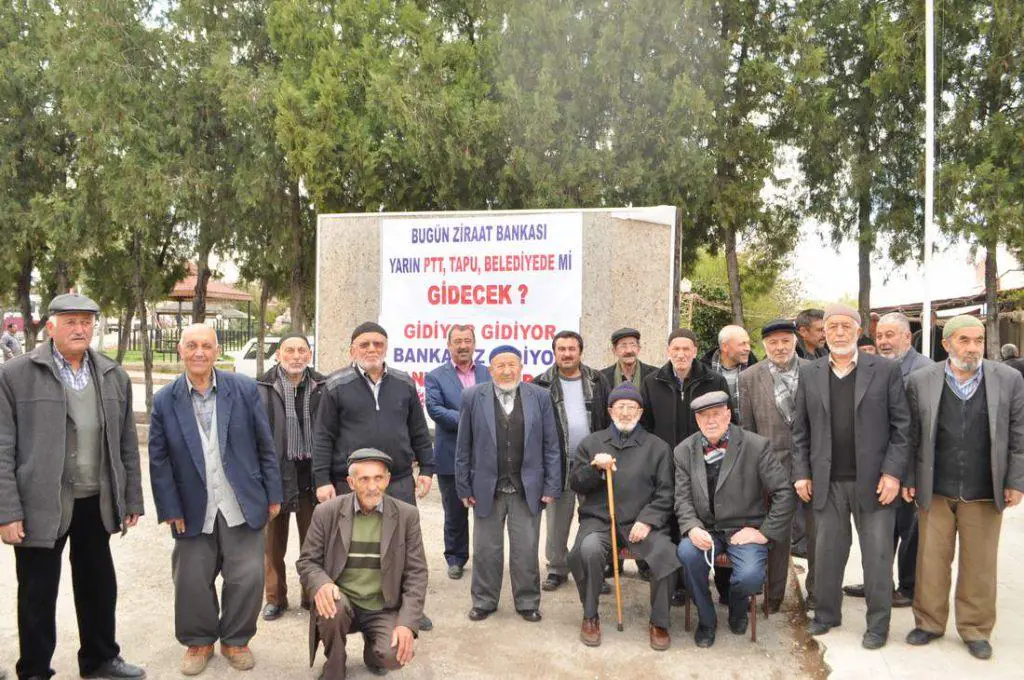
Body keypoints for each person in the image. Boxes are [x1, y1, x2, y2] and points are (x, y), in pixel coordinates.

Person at [0, 294, 146, 680]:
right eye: (70, 322)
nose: (80, 329)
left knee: (99, 585)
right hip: (40, 503)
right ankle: (33, 670)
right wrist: (8, 510)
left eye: (86, 321)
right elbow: (2, 447)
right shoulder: (16, 374)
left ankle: (100, 660)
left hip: (95, 501)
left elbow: (127, 442)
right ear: (51, 327)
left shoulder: (113, 374)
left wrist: (130, 497)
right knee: (37, 592)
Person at [148, 324, 283, 675]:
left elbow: (265, 445)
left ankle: (236, 640)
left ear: (217, 350)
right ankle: (199, 641)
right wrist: (169, 507)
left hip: (241, 500)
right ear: (180, 350)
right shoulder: (165, 400)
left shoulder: (242, 389)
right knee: (191, 578)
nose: (199, 353)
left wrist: (273, 493)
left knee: (247, 576)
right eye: (191, 345)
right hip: (192, 506)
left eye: (206, 346)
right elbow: (158, 459)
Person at [902, 315, 1024, 660]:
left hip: (984, 488)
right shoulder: (921, 380)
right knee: (931, 561)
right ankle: (929, 622)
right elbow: (911, 435)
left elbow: (1019, 434)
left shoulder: (1009, 379)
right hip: (936, 489)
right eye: (964, 341)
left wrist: (1015, 480)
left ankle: (975, 628)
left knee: (980, 565)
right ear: (947, 344)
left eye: (978, 340)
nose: (972, 348)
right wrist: (910, 477)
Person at [791, 304, 910, 650]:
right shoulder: (811, 373)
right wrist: (801, 473)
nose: (839, 333)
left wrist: (892, 474)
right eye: (832, 327)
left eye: (846, 326)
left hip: (874, 483)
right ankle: (827, 615)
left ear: (858, 332)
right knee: (827, 552)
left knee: (877, 557)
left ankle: (877, 625)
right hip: (827, 482)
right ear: (824, 334)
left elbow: (902, 427)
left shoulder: (884, 370)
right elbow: (800, 430)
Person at [312, 321, 435, 630]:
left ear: (386, 348)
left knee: (403, 545)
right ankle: (351, 606)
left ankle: (410, 610)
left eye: (377, 344)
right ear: (352, 349)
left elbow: (418, 430)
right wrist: (322, 479)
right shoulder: (335, 385)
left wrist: (428, 470)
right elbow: (323, 436)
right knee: (353, 546)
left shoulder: (404, 382)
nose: (371, 349)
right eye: (364, 344)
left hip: (398, 480)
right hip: (351, 482)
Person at [675, 391, 795, 648]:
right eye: (704, 416)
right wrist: (692, 527)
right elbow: (682, 499)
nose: (710, 421)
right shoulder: (683, 450)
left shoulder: (755, 445)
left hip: (745, 529)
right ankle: (706, 619)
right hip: (706, 529)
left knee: (751, 577)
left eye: (716, 414)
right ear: (697, 421)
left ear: (728, 414)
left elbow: (784, 493)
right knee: (687, 554)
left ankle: (738, 610)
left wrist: (763, 532)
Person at [297, 449, 427, 679]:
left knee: (394, 655)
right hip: (342, 602)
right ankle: (335, 663)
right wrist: (322, 584)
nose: (372, 487)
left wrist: (407, 623)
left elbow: (416, 574)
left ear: (387, 480)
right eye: (364, 479)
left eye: (378, 478)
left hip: (382, 606)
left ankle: (373, 649)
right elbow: (307, 561)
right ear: (350, 482)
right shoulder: (326, 513)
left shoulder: (407, 516)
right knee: (329, 606)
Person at [455, 345, 561, 622]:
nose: (506, 370)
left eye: (512, 364)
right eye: (500, 366)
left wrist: (551, 486)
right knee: (486, 550)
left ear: (521, 367)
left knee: (526, 549)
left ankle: (527, 601)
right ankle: (484, 600)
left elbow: (551, 445)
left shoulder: (540, 396)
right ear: (490, 370)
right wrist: (464, 487)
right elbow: (463, 446)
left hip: (528, 488)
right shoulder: (472, 397)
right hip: (485, 488)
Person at [568, 384, 677, 650]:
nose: (625, 412)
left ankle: (659, 622)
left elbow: (666, 493)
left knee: (667, 554)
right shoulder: (592, 443)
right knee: (588, 550)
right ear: (610, 410)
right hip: (600, 520)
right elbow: (576, 483)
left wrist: (648, 520)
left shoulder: (658, 447)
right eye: (620, 407)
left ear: (640, 411)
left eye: (631, 407)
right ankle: (590, 615)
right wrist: (594, 469)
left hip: (640, 522)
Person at [844, 312, 932, 607]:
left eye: (889, 335)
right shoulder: (876, 368)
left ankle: (909, 588)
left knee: (909, 532)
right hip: (879, 468)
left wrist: (910, 476)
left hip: (909, 471)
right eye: (879, 335)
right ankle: (880, 583)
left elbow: (922, 430)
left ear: (907, 337)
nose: (882, 341)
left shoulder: (924, 371)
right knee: (882, 532)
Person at [641, 327, 728, 604]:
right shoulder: (651, 381)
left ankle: (716, 584)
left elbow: (727, 421)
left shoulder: (713, 380)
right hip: (665, 465)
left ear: (694, 350)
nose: (680, 354)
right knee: (673, 523)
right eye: (675, 349)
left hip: (706, 463)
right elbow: (646, 427)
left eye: (686, 349)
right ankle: (679, 585)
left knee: (707, 520)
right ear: (668, 351)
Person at [737, 318, 809, 613]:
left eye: (785, 341)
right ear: (764, 345)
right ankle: (773, 597)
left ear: (795, 341)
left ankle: (816, 596)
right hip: (770, 468)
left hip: (810, 465)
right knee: (776, 533)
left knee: (816, 534)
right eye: (773, 342)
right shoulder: (750, 377)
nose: (780, 347)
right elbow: (747, 429)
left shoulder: (813, 371)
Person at [256, 332, 328, 621]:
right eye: (290, 350)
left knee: (312, 542)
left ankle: (312, 595)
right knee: (272, 544)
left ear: (309, 355)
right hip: (274, 475)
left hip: (311, 474)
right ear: (278, 355)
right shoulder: (261, 386)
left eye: (302, 350)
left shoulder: (323, 386)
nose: (296, 356)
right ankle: (275, 598)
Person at [533, 330, 610, 592]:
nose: (566, 353)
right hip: (557, 463)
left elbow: (607, 420)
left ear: (580, 351)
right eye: (561, 349)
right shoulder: (540, 384)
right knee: (557, 520)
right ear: (554, 352)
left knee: (594, 518)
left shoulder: (598, 380)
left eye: (572, 349)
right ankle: (556, 568)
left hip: (592, 463)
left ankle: (592, 568)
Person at [424, 324, 490, 580]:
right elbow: (435, 410)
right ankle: (455, 557)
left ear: (474, 344)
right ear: (448, 345)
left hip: (485, 456)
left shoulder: (489, 372)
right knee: (454, 511)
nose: (463, 346)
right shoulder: (435, 376)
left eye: (467, 340)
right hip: (450, 454)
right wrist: (470, 418)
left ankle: (486, 558)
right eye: (458, 341)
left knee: (487, 511)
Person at [703, 325, 757, 421]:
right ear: (725, 346)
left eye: (748, 343)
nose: (748, 348)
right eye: (742, 344)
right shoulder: (702, 374)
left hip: (748, 434)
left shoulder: (756, 371)